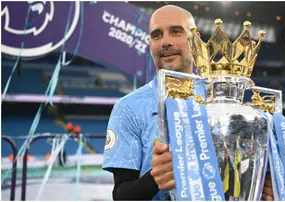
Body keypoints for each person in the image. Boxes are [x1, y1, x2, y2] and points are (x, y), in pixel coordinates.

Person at [102, 4, 274, 201]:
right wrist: (154, 179)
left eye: (176, 32)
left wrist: (265, 188)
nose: (165, 41)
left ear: (195, 40)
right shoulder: (128, 108)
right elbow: (121, 195)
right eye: (156, 35)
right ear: (150, 44)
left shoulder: (225, 100)